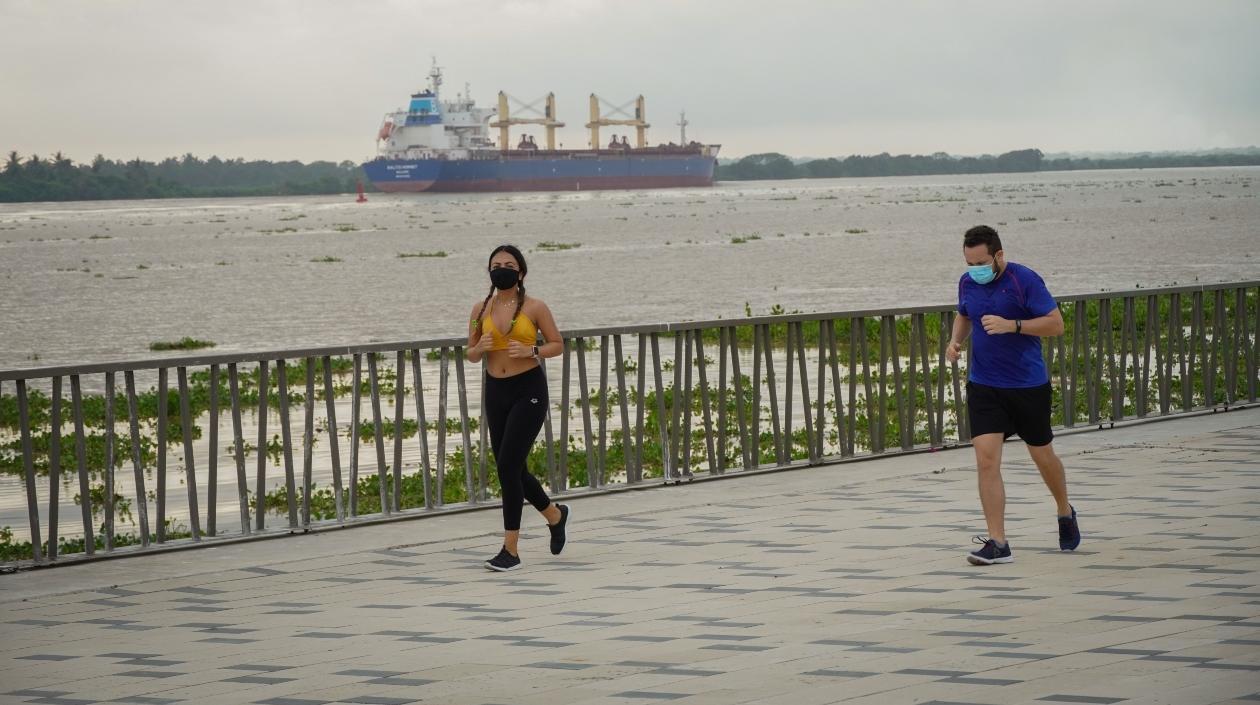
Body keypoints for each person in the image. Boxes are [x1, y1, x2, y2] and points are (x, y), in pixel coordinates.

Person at [945, 225, 1081, 566]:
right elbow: (964, 314)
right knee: (986, 460)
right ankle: (998, 542)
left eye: (981, 262)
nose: (975, 269)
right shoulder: (967, 282)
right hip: (984, 386)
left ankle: (1064, 510)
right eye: (969, 262)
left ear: (998, 255)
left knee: (1042, 455)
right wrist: (955, 341)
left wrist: (1014, 325)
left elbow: (1056, 325)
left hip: (1027, 386)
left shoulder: (1025, 281)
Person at [467, 245, 570, 571]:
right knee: (510, 467)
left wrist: (533, 351)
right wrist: (479, 348)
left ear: (521, 272)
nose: (502, 269)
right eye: (496, 264)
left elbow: (558, 344)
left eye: (508, 265)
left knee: (509, 466)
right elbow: (469, 352)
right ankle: (554, 515)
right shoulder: (479, 309)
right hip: (495, 390)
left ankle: (510, 550)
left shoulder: (535, 307)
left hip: (528, 390)